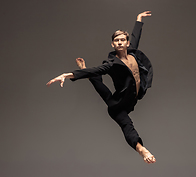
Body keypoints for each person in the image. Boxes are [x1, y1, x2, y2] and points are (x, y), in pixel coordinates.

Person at [47, 11, 156, 164]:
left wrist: (139, 20)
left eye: (122, 40)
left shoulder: (133, 53)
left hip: (131, 98)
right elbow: (96, 70)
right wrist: (66, 74)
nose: (119, 42)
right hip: (117, 105)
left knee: (101, 87)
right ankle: (142, 150)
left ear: (127, 43)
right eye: (116, 40)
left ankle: (86, 71)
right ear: (112, 44)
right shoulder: (112, 64)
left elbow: (136, 36)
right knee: (121, 117)